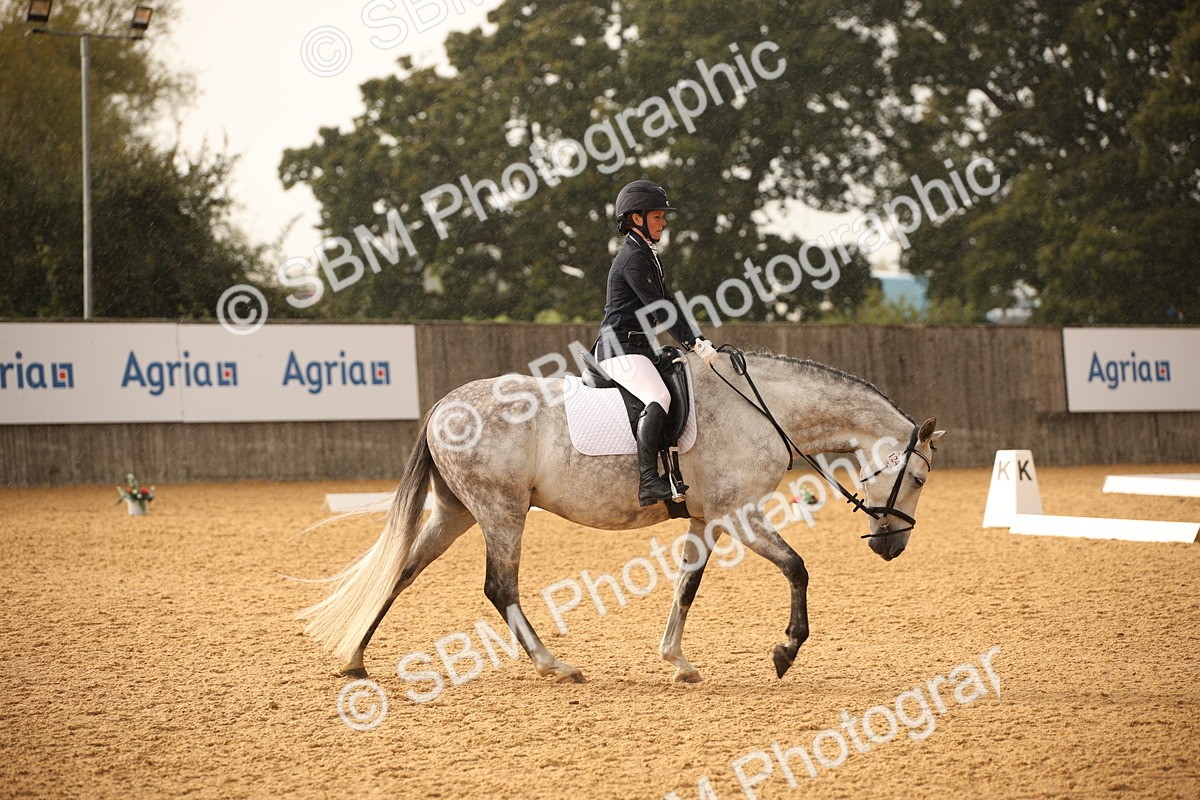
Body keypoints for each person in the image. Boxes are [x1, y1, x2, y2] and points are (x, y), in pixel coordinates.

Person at [593, 179, 718, 507]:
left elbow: (670, 302)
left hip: (638, 346)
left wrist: (698, 339)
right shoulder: (633, 257)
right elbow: (659, 309)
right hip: (619, 348)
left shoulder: (645, 253)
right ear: (637, 219)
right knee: (658, 396)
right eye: (657, 216)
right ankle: (649, 480)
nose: (664, 222)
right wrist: (695, 344)